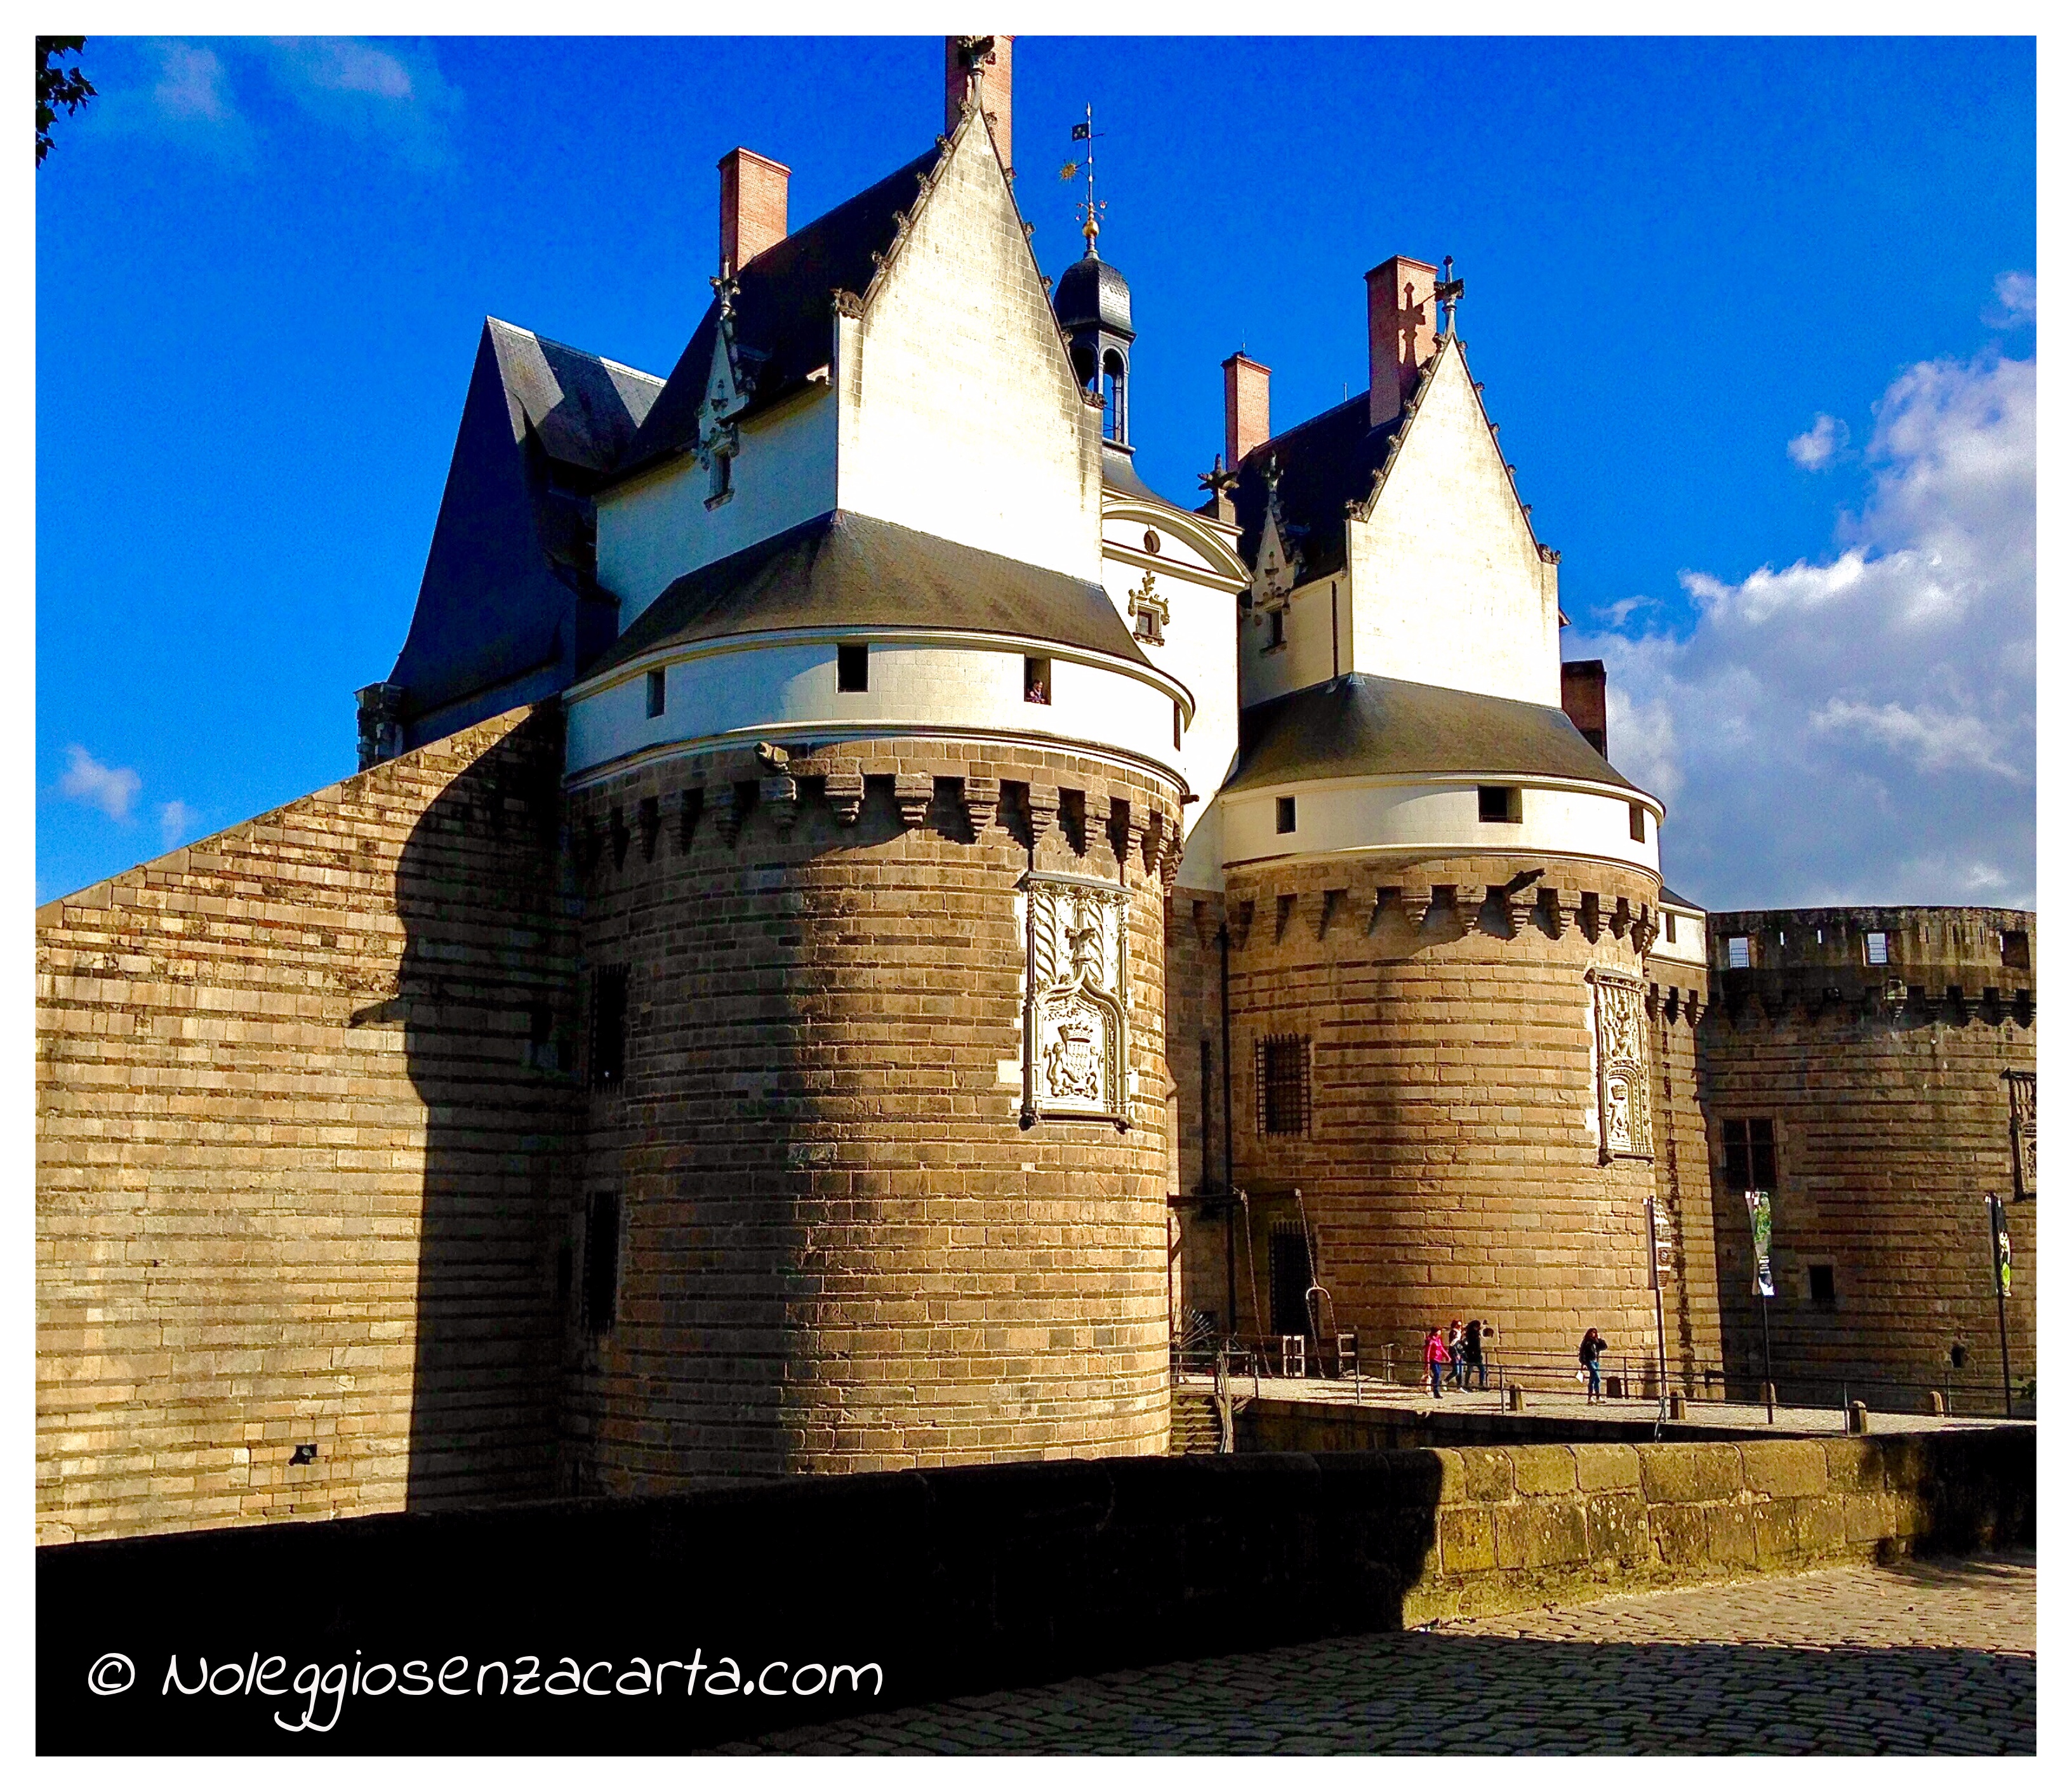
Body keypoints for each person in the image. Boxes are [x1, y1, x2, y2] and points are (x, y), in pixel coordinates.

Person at [1579, 1327, 1606, 1403]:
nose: (1592, 1334)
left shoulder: (1596, 1341)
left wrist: (1600, 1339)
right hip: (1589, 1361)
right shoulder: (1586, 1342)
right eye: (1591, 1332)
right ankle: (1593, 1397)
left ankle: (1594, 1397)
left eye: (1594, 1332)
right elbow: (1582, 1352)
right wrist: (1583, 1363)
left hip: (1596, 1362)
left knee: (1594, 1379)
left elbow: (1604, 1347)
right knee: (1597, 1378)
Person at [1423, 1327, 1450, 1398]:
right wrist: (1428, 1363)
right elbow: (1427, 1353)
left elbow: (1441, 1349)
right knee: (1437, 1374)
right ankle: (1436, 1391)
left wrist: (1447, 1356)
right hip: (1433, 1359)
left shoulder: (1438, 1340)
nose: (1440, 1332)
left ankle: (1435, 1389)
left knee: (1438, 1375)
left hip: (1438, 1359)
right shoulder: (1431, 1341)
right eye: (1439, 1331)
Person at [1463, 1318, 1487, 1391]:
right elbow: (1472, 1346)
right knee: (1475, 1370)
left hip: (1474, 1356)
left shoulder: (1471, 1335)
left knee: (1474, 1370)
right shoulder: (1472, 1336)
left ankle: (1475, 1384)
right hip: (1473, 1356)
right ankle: (1478, 1384)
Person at [1446, 1318, 1466, 1388]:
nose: (1460, 1327)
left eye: (1461, 1326)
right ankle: (1446, 1381)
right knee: (1456, 1371)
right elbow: (1452, 1344)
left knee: (1461, 1370)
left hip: (1460, 1351)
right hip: (1454, 1352)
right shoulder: (1454, 1333)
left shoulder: (1460, 1333)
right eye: (1458, 1326)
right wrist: (1456, 1353)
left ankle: (1459, 1386)